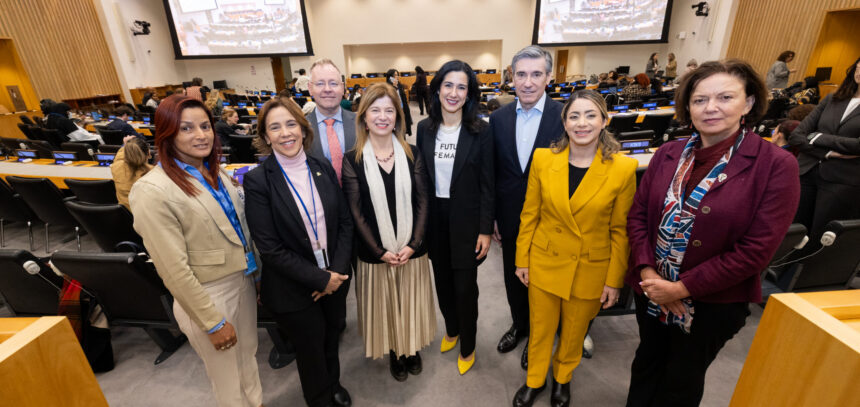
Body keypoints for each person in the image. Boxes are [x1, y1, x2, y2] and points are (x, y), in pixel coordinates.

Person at [625, 60, 800, 406]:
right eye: (700, 99)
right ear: (688, 106)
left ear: (748, 103)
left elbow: (756, 250)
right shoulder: (669, 153)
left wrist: (680, 288)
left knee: (682, 379)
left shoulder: (775, 164)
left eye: (725, 97)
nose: (711, 108)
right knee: (646, 363)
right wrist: (648, 274)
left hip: (713, 304)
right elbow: (638, 218)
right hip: (651, 289)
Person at [129, 95, 263, 407]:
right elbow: (172, 268)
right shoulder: (152, 190)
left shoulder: (215, 173)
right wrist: (211, 321)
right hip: (208, 294)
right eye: (186, 128)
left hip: (241, 282)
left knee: (248, 362)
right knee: (228, 381)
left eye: (205, 126)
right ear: (167, 133)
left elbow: (239, 229)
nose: (200, 135)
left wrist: (254, 275)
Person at [512, 89, 636, 407]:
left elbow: (620, 230)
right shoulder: (544, 159)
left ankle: (562, 378)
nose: (582, 123)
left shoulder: (623, 169)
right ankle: (535, 380)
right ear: (564, 123)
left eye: (590, 115)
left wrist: (613, 280)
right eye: (574, 116)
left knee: (573, 332)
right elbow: (530, 213)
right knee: (540, 329)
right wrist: (521, 259)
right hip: (544, 259)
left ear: (604, 120)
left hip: (589, 266)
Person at [243, 97, 353, 407]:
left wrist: (336, 274)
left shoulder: (321, 167)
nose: (285, 133)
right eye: (274, 127)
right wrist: (319, 280)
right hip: (294, 287)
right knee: (310, 350)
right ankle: (319, 398)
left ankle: (333, 384)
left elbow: (344, 222)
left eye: (291, 124)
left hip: (335, 275)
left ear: (303, 130)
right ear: (265, 136)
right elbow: (270, 248)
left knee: (332, 337)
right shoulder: (258, 181)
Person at [341, 82, 434, 381]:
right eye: (375, 110)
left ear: (398, 116)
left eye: (389, 110)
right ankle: (396, 350)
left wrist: (414, 243)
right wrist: (380, 251)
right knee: (388, 308)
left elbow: (423, 202)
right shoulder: (352, 159)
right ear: (364, 117)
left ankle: (412, 349)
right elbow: (356, 212)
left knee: (410, 302)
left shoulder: (413, 153)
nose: (382, 116)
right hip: (375, 252)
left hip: (411, 248)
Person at [415, 60, 493, 375]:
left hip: (467, 221)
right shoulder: (424, 128)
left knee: (465, 288)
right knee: (443, 284)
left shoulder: (481, 130)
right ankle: (452, 329)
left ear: (469, 93)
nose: (454, 93)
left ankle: (469, 344)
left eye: (461, 87)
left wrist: (485, 229)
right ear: (437, 89)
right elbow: (420, 181)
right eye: (448, 85)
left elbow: (489, 184)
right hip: (435, 220)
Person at [490, 45, 564, 370]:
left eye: (536, 74)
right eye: (521, 74)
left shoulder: (565, 116)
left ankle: (539, 336)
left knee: (544, 283)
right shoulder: (497, 118)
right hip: (508, 218)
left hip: (551, 221)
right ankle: (519, 324)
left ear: (548, 77)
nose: (528, 82)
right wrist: (492, 215)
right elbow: (492, 171)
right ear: (512, 77)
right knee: (512, 277)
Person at [789, 56, 860, 249]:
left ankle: (800, 279)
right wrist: (826, 153)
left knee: (818, 239)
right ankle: (776, 276)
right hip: (807, 171)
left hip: (841, 181)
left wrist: (819, 138)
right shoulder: (832, 99)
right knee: (792, 232)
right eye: (859, 67)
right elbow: (797, 136)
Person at [306, 59, 357, 183]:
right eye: (320, 84)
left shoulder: (361, 123)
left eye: (333, 83)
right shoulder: (300, 128)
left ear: (343, 87)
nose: (327, 89)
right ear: (310, 88)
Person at [111, 135, 152, 208]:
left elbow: (119, 157)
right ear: (148, 154)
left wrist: (126, 144)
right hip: (145, 215)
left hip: (125, 215)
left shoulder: (116, 167)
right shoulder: (154, 173)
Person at [384, 69, 414, 136]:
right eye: (395, 75)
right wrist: (394, 87)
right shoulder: (387, 86)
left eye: (397, 75)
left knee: (402, 125)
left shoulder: (399, 84)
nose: (397, 76)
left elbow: (402, 96)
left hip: (402, 108)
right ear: (390, 77)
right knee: (395, 126)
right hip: (393, 109)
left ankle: (403, 138)